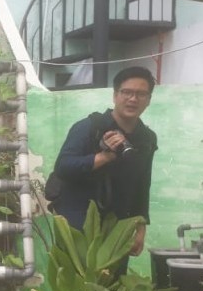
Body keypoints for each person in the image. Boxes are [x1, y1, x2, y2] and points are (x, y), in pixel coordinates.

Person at [51, 65, 158, 259]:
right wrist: (104, 157)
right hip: (79, 222)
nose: (133, 99)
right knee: (77, 285)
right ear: (115, 95)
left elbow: (143, 185)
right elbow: (63, 168)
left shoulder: (147, 138)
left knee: (114, 284)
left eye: (141, 94)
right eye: (127, 92)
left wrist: (140, 228)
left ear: (148, 100)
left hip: (118, 226)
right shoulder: (88, 128)